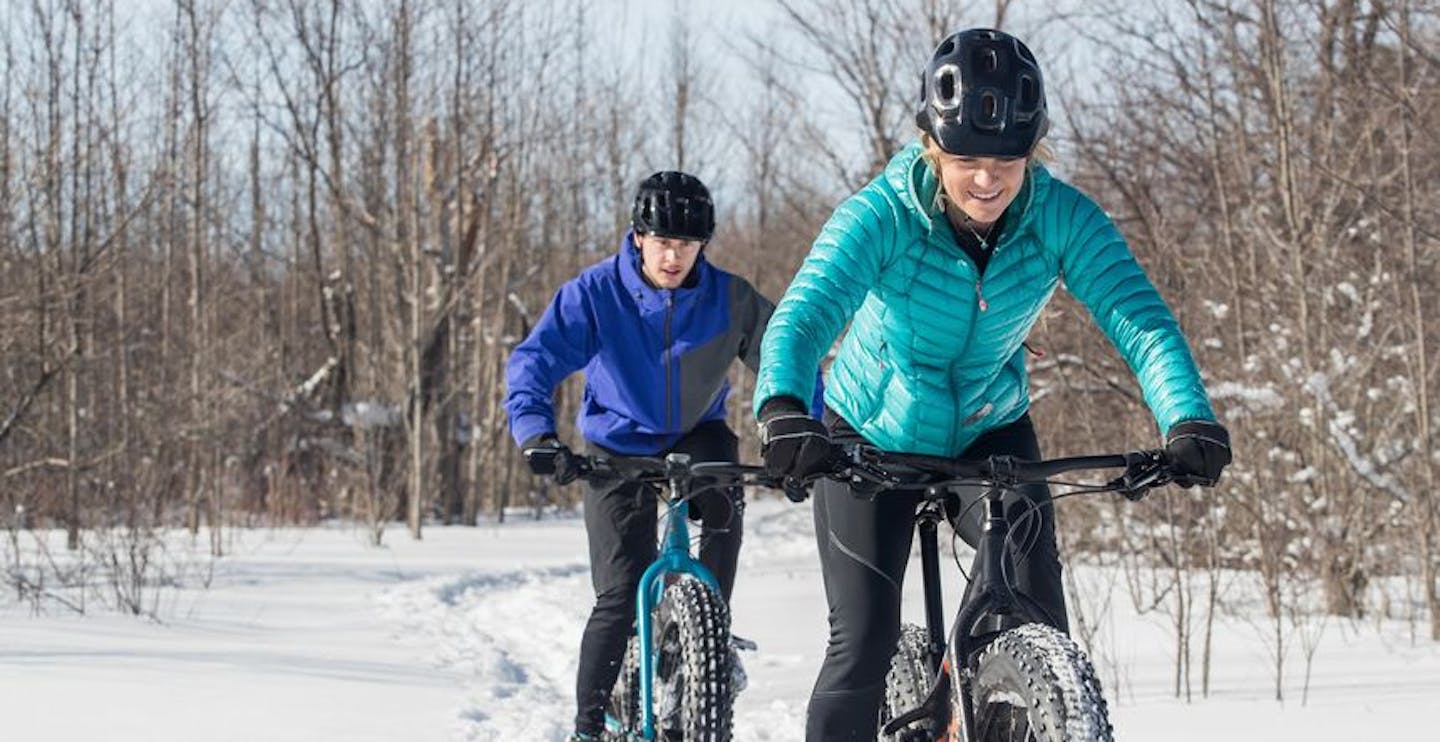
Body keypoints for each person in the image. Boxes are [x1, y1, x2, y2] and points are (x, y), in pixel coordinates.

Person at [752, 28, 1233, 740]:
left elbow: (1142, 322)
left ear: (1031, 153)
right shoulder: (882, 214)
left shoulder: (1060, 217)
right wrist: (787, 408)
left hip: (990, 430)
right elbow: (804, 315)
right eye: (965, 159)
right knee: (862, 647)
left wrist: (1187, 418)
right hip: (869, 438)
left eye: (1005, 159)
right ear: (932, 148)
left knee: (1037, 616)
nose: (986, 179)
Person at [505, 170, 823, 742]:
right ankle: (586, 727)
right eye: (661, 243)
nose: (673, 257)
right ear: (638, 237)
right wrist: (536, 433)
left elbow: (789, 354)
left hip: (697, 433)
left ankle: (711, 633)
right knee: (621, 590)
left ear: (703, 244)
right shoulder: (596, 294)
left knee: (723, 506)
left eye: (686, 245)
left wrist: (808, 435)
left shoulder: (730, 299)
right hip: (616, 441)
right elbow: (536, 359)